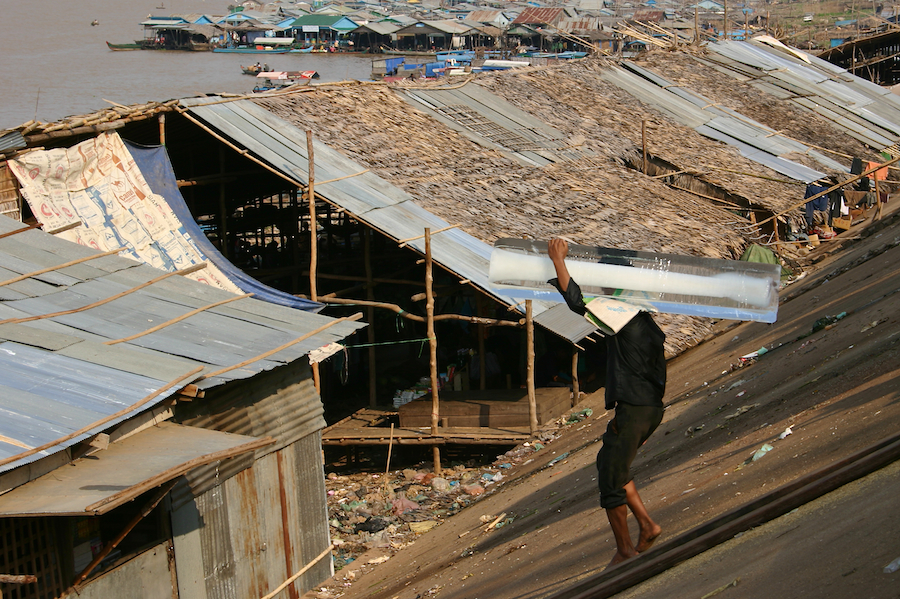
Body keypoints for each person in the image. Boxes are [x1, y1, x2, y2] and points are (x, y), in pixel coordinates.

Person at [547, 238, 667, 567]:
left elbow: (578, 302)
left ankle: (626, 550)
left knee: (610, 481)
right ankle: (647, 525)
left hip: (634, 408)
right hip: (649, 407)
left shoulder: (624, 313)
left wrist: (558, 261)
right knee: (610, 464)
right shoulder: (646, 318)